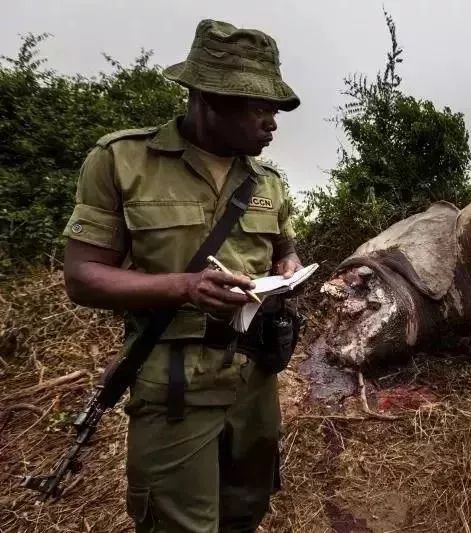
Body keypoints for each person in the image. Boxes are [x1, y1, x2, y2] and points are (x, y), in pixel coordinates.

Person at [61, 19, 302, 532]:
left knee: (246, 510)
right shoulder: (123, 161)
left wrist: (288, 268)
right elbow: (82, 276)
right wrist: (185, 288)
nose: (272, 124)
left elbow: (285, 247)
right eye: (260, 108)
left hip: (254, 376)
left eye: (275, 110)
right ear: (209, 99)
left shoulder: (269, 182)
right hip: (173, 381)